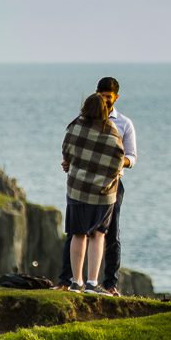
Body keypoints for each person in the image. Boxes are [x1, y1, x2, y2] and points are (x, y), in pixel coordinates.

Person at [57, 92, 126, 293]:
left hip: (78, 189)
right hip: (104, 194)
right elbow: (118, 161)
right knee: (98, 235)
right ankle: (92, 283)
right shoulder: (111, 131)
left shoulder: (75, 127)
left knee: (78, 234)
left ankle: (76, 281)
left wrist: (72, 164)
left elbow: (66, 152)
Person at [95, 76, 136, 296]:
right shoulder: (85, 119)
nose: (105, 101)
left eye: (108, 97)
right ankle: (76, 281)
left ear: (116, 97)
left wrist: (120, 161)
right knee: (80, 232)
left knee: (112, 233)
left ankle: (110, 284)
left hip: (113, 183)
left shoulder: (124, 124)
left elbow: (133, 157)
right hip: (87, 182)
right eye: (101, 96)